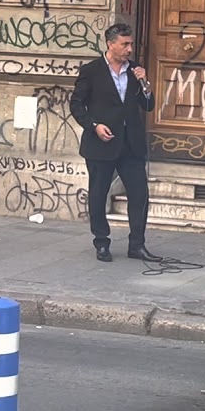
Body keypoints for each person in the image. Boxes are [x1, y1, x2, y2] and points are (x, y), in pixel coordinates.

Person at [69, 23, 162, 263]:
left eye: (130, 44)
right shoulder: (92, 71)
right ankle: (102, 243)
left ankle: (137, 245)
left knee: (139, 194)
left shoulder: (135, 71)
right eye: (125, 44)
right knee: (98, 194)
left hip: (130, 143)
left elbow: (148, 106)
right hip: (101, 143)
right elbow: (77, 105)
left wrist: (146, 86)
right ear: (110, 44)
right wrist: (94, 126)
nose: (129, 49)